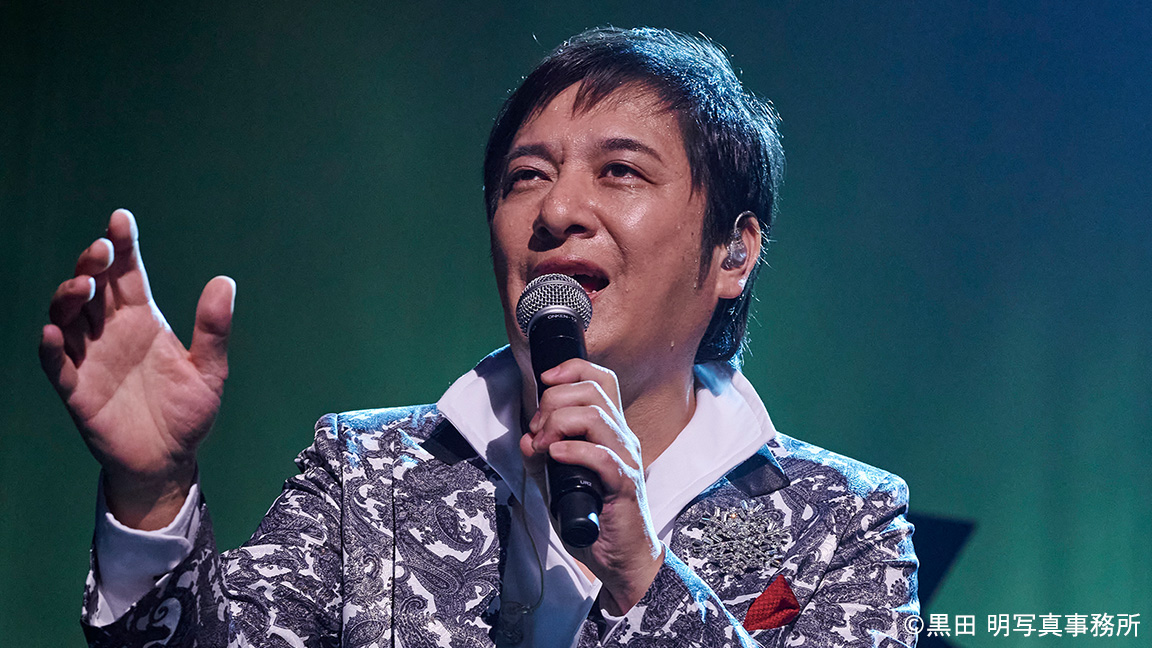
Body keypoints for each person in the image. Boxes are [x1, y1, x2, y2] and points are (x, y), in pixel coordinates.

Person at [41, 27, 919, 647]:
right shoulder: (369, 475)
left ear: (734, 251)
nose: (558, 210)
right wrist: (152, 493)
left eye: (620, 171)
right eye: (525, 177)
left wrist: (643, 578)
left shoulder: (842, 521)